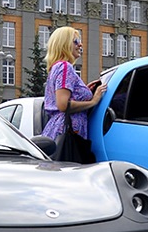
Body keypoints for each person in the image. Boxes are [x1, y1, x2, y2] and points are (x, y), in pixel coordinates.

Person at [41, 26, 107, 163]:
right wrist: (93, 101)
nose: (80, 44)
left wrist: (85, 91)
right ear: (64, 44)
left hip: (59, 129)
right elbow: (63, 104)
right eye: (76, 41)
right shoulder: (65, 67)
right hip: (68, 131)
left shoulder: (56, 67)